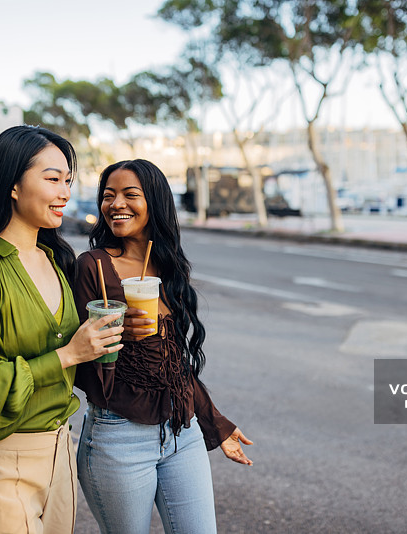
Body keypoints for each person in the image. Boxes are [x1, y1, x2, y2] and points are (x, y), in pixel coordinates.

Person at [0, 125, 123, 534]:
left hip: (61, 453)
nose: (64, 193)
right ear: (13, 185)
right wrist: (67, 355)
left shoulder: (58, 263)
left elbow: (83, 361)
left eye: (68, 182)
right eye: (52, 179)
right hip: (1, 458)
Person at [73, 159, 253, 534]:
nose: (115, 204)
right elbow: (81, 368)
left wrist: (215, 423)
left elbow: (175, 367)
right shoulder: (93, 267)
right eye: (108, 196)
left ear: (153, 202)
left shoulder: (168, 267)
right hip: (118, 438)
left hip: (181, 433)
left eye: (129, 194)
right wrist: (120, 337)